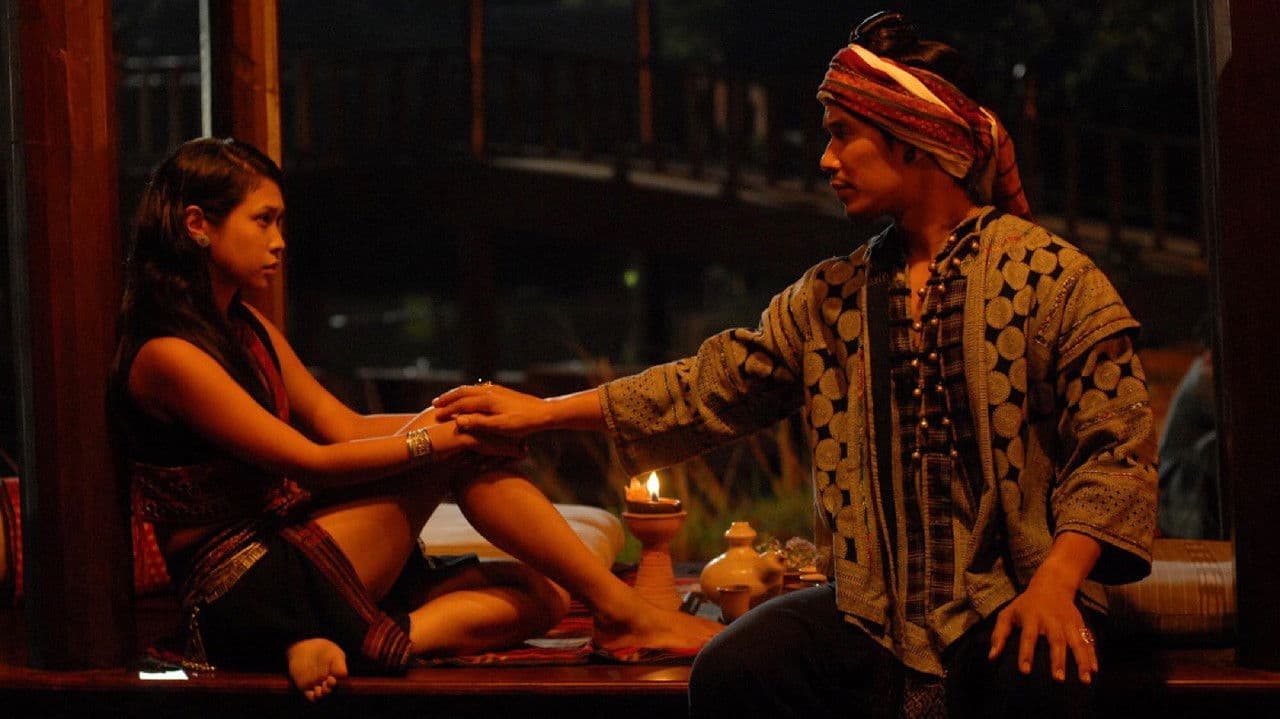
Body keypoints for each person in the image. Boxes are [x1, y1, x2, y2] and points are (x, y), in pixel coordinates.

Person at [431, 11, 1156, 718]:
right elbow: (707, 386)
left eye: (842, 134)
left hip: (1015, 594)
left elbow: (1115, 451)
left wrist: (1057, 582)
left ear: (914, 138)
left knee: (1038, 677)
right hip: (873, 612)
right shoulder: (832, 297)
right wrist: (542, 414)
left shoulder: (1054, 279)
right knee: (736, 670)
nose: (826, 160)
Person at [108, 138, 720, 702]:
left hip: (292, 548)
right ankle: (624, 613)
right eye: (263, 220)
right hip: (241, 587)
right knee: (459, 449)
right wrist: (443, 439)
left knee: (546, 595)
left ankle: (358, 639)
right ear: (197, 224)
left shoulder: (246, 326)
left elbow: (343, 425)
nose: (280, 241)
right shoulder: (169, 355)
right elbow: (309, 461)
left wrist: (455, 413)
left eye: (281, 222)